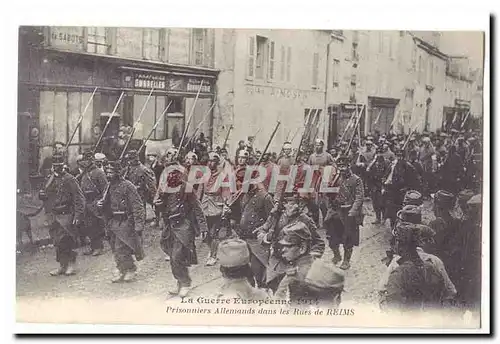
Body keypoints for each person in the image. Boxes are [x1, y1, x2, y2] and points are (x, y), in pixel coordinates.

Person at [154, 147, 209, 297]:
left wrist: (203, 227)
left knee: (178, 255)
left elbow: (197, 208)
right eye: (170, 173)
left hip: (184, 225)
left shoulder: (187, 188)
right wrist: (158, 203)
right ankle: (180, 281)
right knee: (173, 256)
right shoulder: (165, 189)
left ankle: (185, 283)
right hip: (169, 225)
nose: (172, 176)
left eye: (175, 173)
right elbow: (158, 204)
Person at [254, 193, 325, 292]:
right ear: (284, 204)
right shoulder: (275, 217)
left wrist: (309, 259)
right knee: (275, 290)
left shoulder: (305, 219)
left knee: (296, 293)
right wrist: (267, 237)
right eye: (291, 203)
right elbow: (261, 232)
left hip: (296, 264)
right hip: (277, 262)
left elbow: (319, 243)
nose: (295, 206)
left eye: (297, 203)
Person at [379, 222, 447, 313]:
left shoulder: (398, 274)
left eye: (396, 241)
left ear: (400, 245)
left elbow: (393, 310)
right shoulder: (430, 267)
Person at [98, 160, 145, 283]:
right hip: (113, 222)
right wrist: (100, 205)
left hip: (125, 222)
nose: (108, 174)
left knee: (121, 248)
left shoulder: (128, 186)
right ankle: (121, 269)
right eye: (107, 172)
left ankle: (130, 269)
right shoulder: (108, 186)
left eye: (111, 172)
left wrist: (139, 224)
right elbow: (105, 204)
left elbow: (137, 205)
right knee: (115, 248)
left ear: (118, 172)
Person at [38, 153, 85, 276]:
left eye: (59, 165)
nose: (57, 168)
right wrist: (42, 196)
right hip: (54, 215)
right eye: (55, 165)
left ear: (63, 165)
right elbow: (45, 194)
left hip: (66, 214)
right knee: (57, 241)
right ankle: (62, 265)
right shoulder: (50, 178)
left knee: (66, 240)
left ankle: (70, 264)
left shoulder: (70, 179)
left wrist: (78, 215)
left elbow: (79, 198)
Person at [323, 155, 364, 270]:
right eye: (340, 166)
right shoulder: (336, 177)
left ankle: (346, 260)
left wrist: (353, 211)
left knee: (348, 238)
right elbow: (330, 193)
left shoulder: (356, 180)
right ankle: (337, 255)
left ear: (349, 166)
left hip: (348, 212)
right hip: (336, 211)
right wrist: (328, 188)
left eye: (344, 166)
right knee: (331, 237)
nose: (341, 169)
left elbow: (359, 197)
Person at [200, 151, 231, 266]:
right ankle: (212, 249)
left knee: (214, 232)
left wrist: (226, 205)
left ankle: (213, 255)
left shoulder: (223, 176)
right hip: (205, 204)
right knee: (206, 233)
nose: (210, 163)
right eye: (209, 161)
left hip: (217, 205)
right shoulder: (205, 174)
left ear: (217, 162)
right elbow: (200, 190)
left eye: (213, 161)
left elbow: (226, 191)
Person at [79, 149, 108, 256]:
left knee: (97, 225)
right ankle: (93, 246)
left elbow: (105, 189)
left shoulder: (99, 173)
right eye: (84, 160)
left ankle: (98, 247)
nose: (84, 162)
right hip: (86, 201)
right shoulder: (85, 173)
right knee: (88, 226)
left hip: (95, 201)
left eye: (87, 160)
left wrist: (101, 201)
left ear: (91, 160)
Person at [366, 148, 389, 224]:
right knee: (375, 203)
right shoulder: (373, 163)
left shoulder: (386, 163)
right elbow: (368, 171)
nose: (379, 154)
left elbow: (388, 174)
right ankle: (377, 218)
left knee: (382, 203)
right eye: (378, 153)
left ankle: (384, 218)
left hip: (382, 185)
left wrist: (385, 185)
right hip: (374, 185)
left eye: (381, 153)